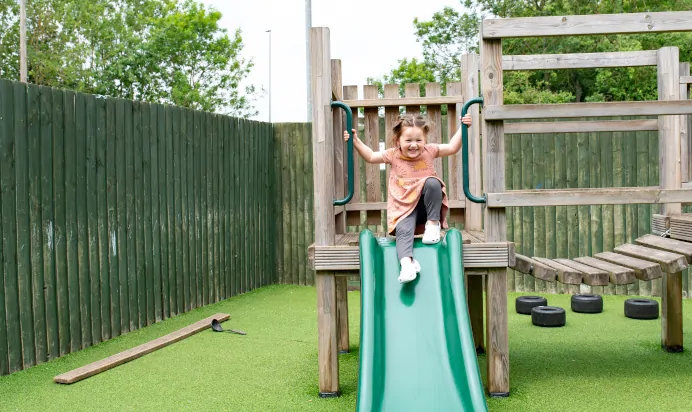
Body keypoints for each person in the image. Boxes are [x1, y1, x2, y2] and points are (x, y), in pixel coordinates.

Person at [344, 112, 473, 283]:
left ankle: (433, 225)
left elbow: (452, 147)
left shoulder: (430, 150)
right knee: (403, 231)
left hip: (426, 209)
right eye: (408, 140)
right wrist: (355, 141)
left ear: (425, 140)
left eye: (418, 140)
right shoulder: (393, 154)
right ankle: (407, 264)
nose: (414, 145)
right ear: (398, 141)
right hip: (404, 209)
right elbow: (370, 156)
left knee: (433, 183)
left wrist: (463, 128)